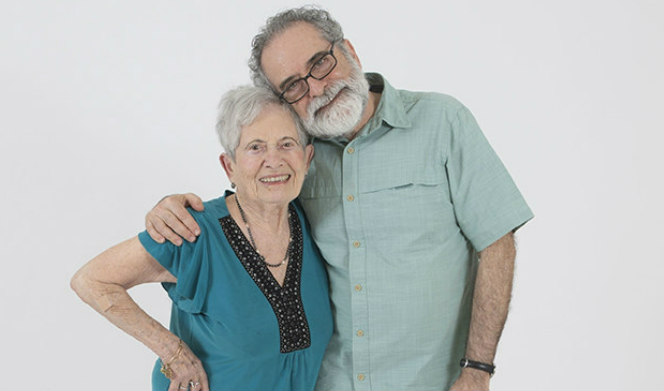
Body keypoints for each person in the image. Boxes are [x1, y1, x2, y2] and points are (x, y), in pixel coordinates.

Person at [146, 6, 534, 391]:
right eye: (293, 85)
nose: (316, 87)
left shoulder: (442, 121)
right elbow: (252, 202)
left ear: (349, 50)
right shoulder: (297, 155)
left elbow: (497, 241)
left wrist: (478, 369)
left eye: (320, 63)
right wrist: (173, 207)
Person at [71, 85, 333, 391]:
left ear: (307, 157)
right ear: (229, 166)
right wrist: (174, 352)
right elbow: (91, 280)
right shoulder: (192, 231)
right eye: (255, 147)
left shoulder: (316, 223)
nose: (273, 160)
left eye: (287, 144)